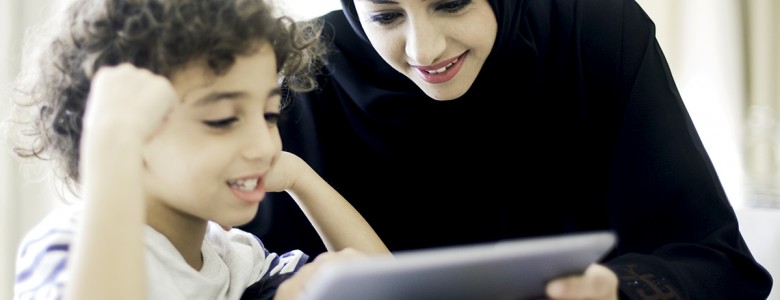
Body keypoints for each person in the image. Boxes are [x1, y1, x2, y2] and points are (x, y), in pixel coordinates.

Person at [238, 0, 774, 298]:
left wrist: (614, 289)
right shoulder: (304, 71)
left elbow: (718, 265)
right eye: (386, 16)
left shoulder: (599, 35)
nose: (425, 49)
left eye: (451, 3)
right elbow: (234, 271)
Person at [7, 0, 389, 299]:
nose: (262, 145)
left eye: (269, 114)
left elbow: (386, 288)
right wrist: (111, 147)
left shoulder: (237, 259)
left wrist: (299, 177)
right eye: (222, 119)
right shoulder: (72, 246)